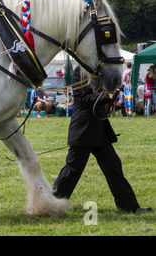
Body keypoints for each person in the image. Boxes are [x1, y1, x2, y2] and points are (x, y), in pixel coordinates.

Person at [52, 65, 151, 213]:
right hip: (84, 130)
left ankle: (129, 206)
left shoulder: (101, 71)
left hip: (99, 130)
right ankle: (51, 204)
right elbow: (83, 98)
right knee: (72, 170)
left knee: (114, 167)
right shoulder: (80, 72)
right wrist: (106, 96)